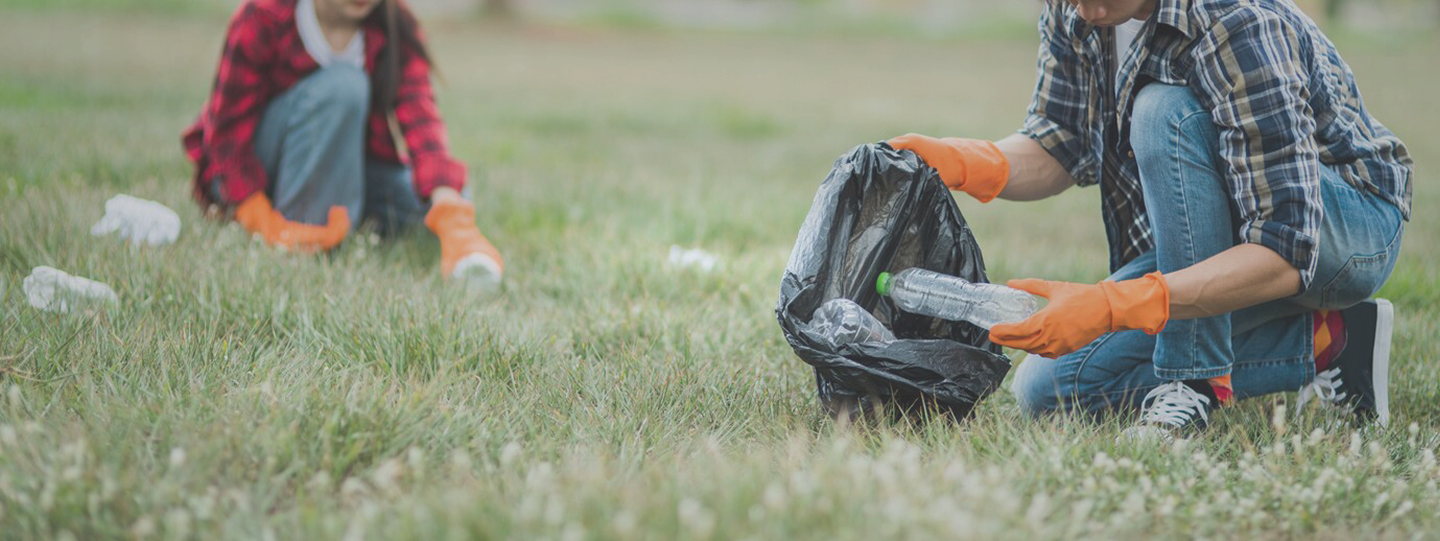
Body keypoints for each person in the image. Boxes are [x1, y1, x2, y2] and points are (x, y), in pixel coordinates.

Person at [889, 0, 1412, 440]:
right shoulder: (1079, 7)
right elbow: (1062, 139)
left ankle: (1191, 382)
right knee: (1049, 388)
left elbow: (1284, 247)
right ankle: (1334, 340)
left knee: (1164, 110)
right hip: (1239, 227)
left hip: (1346, 228)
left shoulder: (1237, 20)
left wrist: (1118, 305)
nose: (1087, 10)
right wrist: (966, 162)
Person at [182, 0, 503, 287]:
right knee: (344, 87)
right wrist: (254, 214)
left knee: (448, 194)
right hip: (258, 173)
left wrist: (450, 213)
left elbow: (422, 123)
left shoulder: (395, 25)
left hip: (346, 164)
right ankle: (301, 228)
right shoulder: (263, 16)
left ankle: (340, 214)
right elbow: (226, 136)